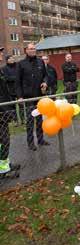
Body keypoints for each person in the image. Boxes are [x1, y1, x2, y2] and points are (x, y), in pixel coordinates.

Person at [16, 43, 50, 151]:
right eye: (30, 49)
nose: (33, 50)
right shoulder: (21, 64)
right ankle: (30, 142)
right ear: (26, 50)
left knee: (40, 120)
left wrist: (45, 83)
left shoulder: (40, 62)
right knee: (30, 121)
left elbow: (46, 76)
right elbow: (18, 82)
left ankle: (40, 139)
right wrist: (20, 96)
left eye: (34, 49)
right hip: (28, 97)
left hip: (40, 97)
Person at [0, 47, 20, 177]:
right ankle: (3, 170)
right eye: (0, 52)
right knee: (2, 140)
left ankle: (5, 164)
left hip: (4, 111)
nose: (1, 53)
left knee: (5, 139)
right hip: (1, 111)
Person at [2, 55, 21, 124]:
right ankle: (15, 120)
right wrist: (16, 78)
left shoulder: (18, 66)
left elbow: (21, 75)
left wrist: (16, 78)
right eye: (10, 58)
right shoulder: (4, 68)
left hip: (19, 89)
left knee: (21, 105)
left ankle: (23, 120)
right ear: (7, 60)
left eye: (12, 58)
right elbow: (6, 78)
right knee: (12, 106)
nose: (12, 59)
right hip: (10, 90)